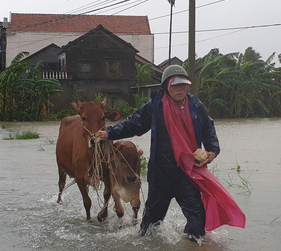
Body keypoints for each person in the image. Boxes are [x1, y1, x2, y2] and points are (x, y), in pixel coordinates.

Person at [96, 65, 245, 240]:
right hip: (161, 173)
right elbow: (134, 124)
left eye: (183, 85)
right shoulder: (155, 105)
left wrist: (212, 151)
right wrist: (110, 133)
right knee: (149, 228)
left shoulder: (196, 106)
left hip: (186, 172)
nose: (180, 89)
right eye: (175, 85)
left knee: (197, 221)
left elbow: (208, 128)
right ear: (166, 86)